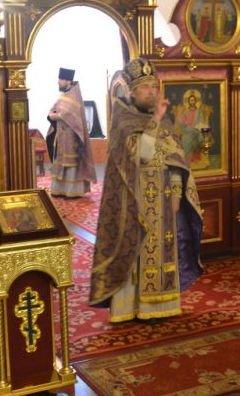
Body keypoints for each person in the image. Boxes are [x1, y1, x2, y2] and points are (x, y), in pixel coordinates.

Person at [89, 58, 204, 323]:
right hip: (134, 199)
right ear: (132, 92)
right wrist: (156, 120)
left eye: (154, 87)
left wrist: (177, 193)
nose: (153, 92)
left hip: (164, 199)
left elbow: (176, 158)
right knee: (135, 251)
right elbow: (142, 154)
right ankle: (129, 307)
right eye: (146, 88)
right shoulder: (124, 121)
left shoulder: (162, 121)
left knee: (163, 250)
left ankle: (158, 306)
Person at [45, 68, 96, 198]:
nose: (58, 82)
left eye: (60, 79)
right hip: (61, 137)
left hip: (72, 137)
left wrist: (58, 115)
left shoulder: (74, 96)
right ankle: (59, 190)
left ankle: (72, 191)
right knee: (60, 161)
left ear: (68, 80)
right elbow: (54, 109)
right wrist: (51, 114)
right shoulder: (64, 95)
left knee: (71, 163)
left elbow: (71, 114)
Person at [172, 89, 211, 168]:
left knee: (194, 136)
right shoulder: (186, 112)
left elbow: (201, 122)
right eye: (191, 100)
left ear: (195, 101)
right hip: (187, 130)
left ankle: (192, 160)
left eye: (193, 100)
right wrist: (179, 118)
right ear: (189, 102)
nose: (192, 102)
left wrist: (197, 127)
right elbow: (183, 123)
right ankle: (187, 160)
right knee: (185, 139)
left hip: (196, 130)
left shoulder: (199, 112)